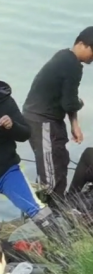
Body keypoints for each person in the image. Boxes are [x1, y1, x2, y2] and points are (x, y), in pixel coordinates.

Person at [23, 26, 93, 201]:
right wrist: (80, 103)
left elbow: (67, 98)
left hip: (49, 119)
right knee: (50, 177)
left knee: (60, 161)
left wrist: (74, 124)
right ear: (81, 44)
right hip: (41, 121)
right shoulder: (72, 66)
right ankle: (47, 210)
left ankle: (56, 204)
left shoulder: (64, 56)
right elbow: (70, 102)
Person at [0, 80, 47, 222]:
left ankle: (61, 235)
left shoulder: (4, 99)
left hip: (6, 172)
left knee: (40, 213)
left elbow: (25, 134)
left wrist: (11, 126)